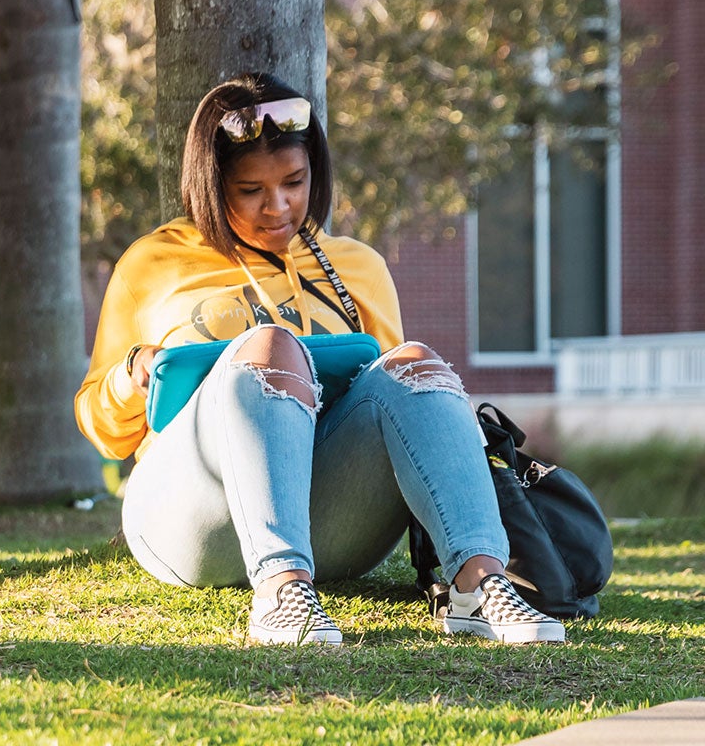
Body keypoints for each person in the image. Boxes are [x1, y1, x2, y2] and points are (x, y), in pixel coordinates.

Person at [74, 72, 566, 646]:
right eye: (250, 190)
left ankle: (478, 584)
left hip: (332, 518)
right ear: (208, 188)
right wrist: (133, 376)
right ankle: (281, 592)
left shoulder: (356, 267)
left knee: (416, 363)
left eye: (294, 182)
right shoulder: (153, 263)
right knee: (270, 346)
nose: (277, 207)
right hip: (192, 519)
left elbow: (397, 417)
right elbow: (101, 430)